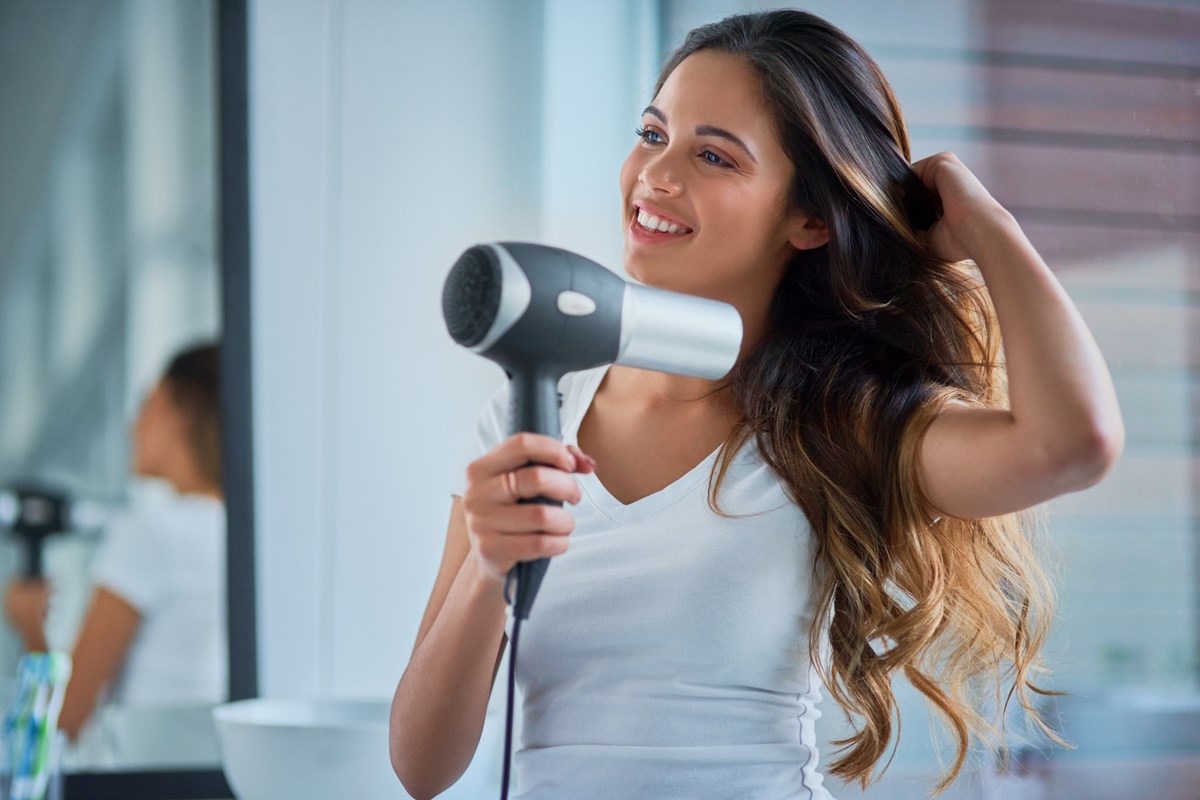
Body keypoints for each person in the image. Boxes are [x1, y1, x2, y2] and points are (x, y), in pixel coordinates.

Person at [390, 10, 1124, 799]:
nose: (656, 176)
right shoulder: (531, 418)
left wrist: (988, 225)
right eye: (650, 132)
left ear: (809, 219)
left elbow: (1071, 443)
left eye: (713, 155)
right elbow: (422, 769)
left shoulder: (839, 424)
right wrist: (487, 572)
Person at [4, 343, 226, 742]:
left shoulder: (151, 533)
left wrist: (30, 628)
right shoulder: (233, 534)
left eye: (147, 404)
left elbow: (65, 721)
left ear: (181, 414)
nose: (133, 423)